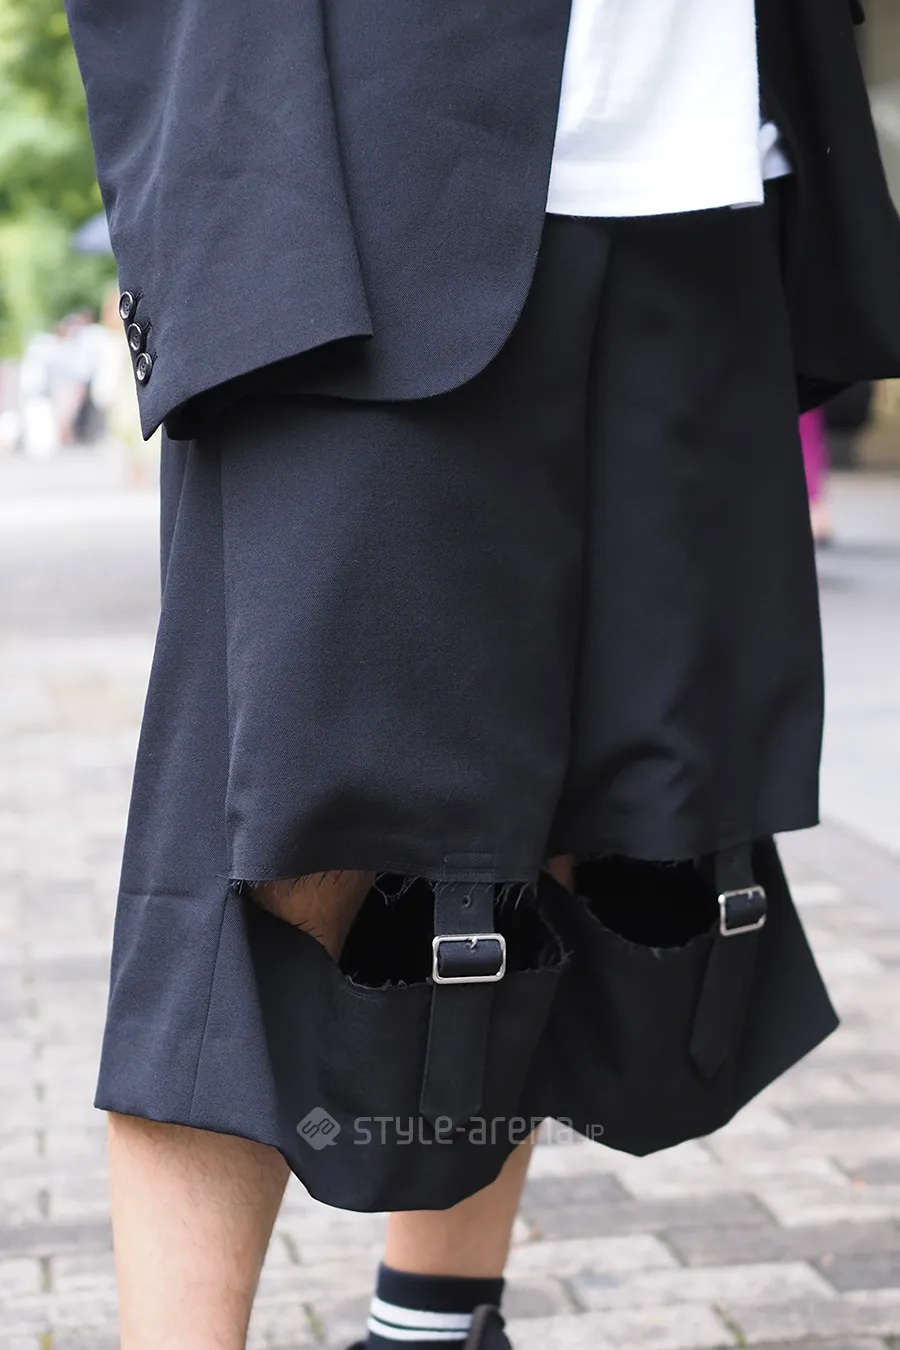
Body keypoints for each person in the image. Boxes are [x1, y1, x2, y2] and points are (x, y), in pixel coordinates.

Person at [64, 0, 900, 1347]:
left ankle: (437, 1323)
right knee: (274, 842)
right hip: (357, 163)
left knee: (565, 806)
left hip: (700, 175)